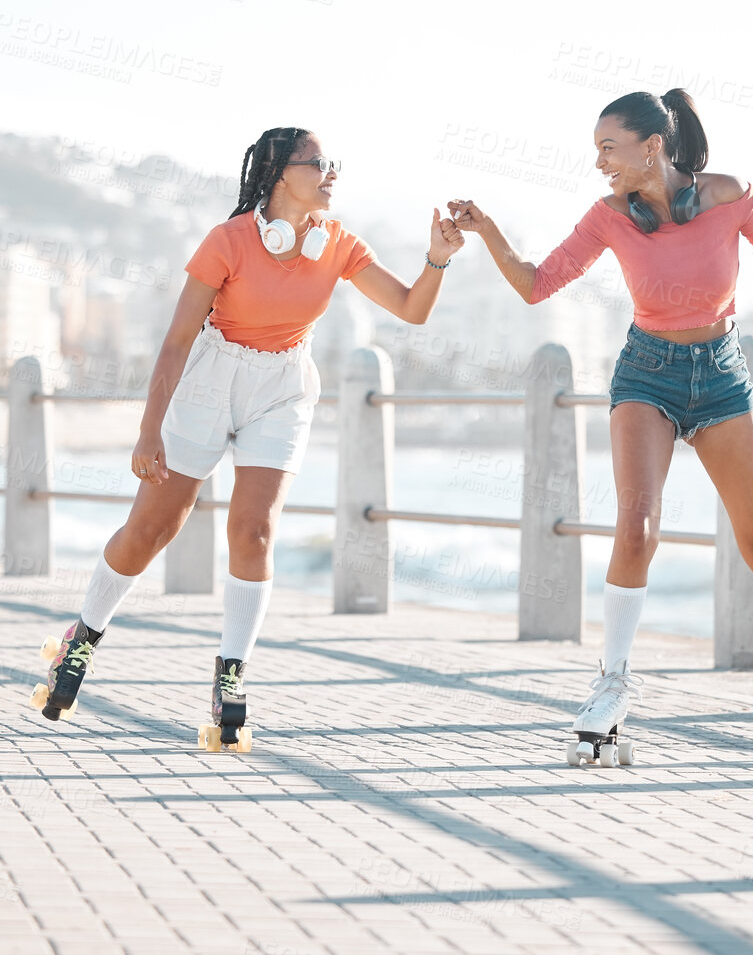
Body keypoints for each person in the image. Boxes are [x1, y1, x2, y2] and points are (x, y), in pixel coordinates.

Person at [448, 90, 753, 765]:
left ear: (652, 146)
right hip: (645, 375)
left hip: (721, 376)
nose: (599, 163)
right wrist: (488, 231)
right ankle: (611, 686)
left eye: (607, 148)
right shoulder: (607, 217)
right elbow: (536, 285)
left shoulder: (730, 196)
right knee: (637, 526)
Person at [31, 127, 465, 751]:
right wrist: (148, 431)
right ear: (280, 173)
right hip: (211, 378)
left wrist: (437, 258)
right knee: (153, 528)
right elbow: (177, 340)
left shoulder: (338, 243)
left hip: (283, 386)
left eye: (332, 163)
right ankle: (84, 637)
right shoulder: (228, 241)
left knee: (254, 529)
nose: (331, 173)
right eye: (319, 163)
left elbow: (411, 308)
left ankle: (230, 675)